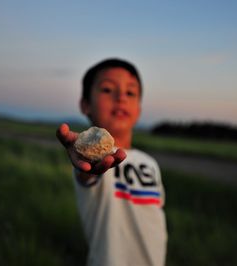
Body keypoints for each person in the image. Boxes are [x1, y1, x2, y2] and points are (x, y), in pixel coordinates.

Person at [56, 58, 167, 266]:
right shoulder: (95, 161)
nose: (121, 98)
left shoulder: (149, 163)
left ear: (139, 109)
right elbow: (87, 175)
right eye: (107, 89)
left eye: (131, 93)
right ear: (85, 104)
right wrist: (86, 158)